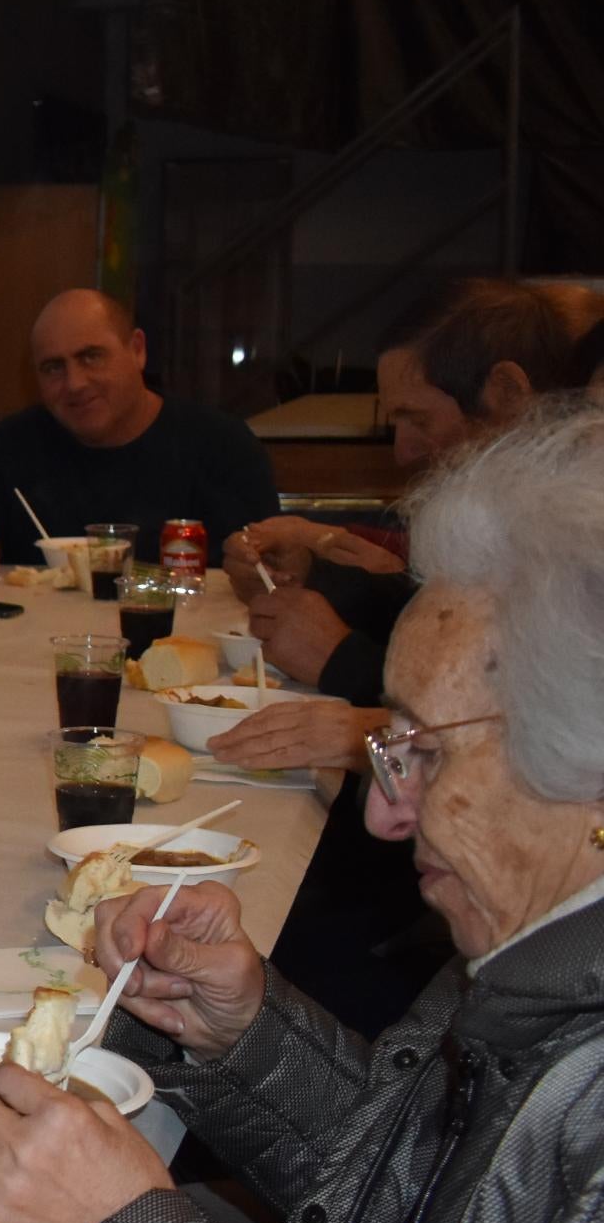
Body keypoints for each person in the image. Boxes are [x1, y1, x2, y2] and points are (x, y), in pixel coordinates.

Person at [0, 401, 604, 1223]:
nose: (385, 806)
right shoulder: (552, 954)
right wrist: (241, 1034)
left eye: (423, 751)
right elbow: (441, 1222)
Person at [211, 280, 597, 1035]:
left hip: (405, 935)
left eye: (417, 418)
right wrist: (330, 563)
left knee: (289, 921)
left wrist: (352, 681)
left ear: (511, 394)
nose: (403, 449)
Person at [0, 289, 278, 577]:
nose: (75, 384)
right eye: (53, 368)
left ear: (137, 350)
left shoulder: (220, 445)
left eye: (91, 357)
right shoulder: (15, 443)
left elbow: (269, 570)